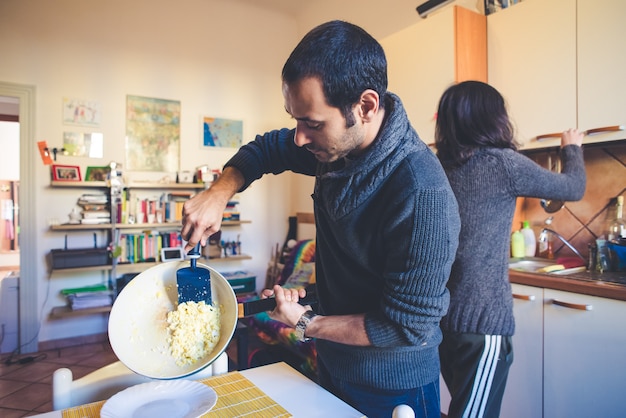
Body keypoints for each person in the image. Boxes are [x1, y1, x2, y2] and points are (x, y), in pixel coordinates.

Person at [181, 20, 460, 417]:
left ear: (365, 107)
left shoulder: (420, 192)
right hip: (333, 364)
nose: (298, 137)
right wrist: (218, 193)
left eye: (311, 123)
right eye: (295, 119)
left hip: (393, 390)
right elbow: (267, 150)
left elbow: (404, 327)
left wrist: (306, 322)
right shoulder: (334, 146)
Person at [434, 80, 586, 418]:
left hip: (441, 319)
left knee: (463, 406)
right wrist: (571, 147)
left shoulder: (439, 166)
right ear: (493, 118)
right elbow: (574, 187)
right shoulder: (503, 163)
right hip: (482, 322)